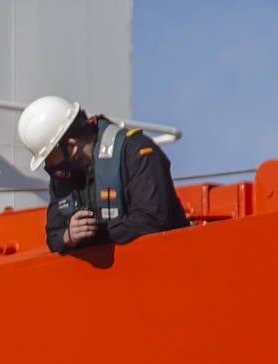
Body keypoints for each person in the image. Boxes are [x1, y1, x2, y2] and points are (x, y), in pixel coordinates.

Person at [17, 95, 189, 254]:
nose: (49, 167)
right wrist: (69, 236)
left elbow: (153, 220)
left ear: (71, 146)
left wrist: (97, 234)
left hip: (162, 265)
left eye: (49, 158)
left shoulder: (136, 152)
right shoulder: (63, 176)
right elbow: (54, 235)